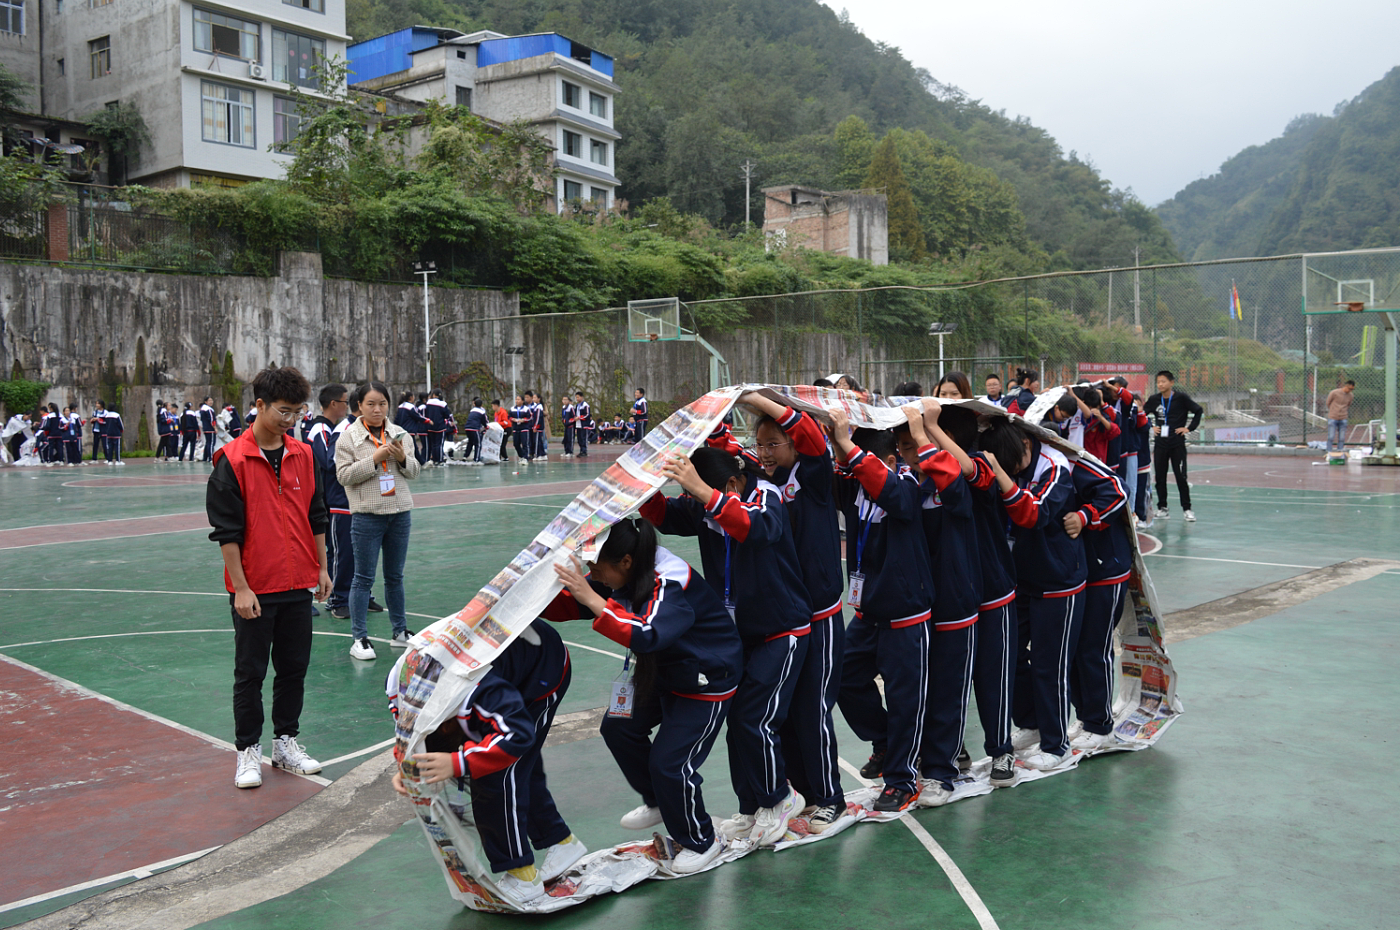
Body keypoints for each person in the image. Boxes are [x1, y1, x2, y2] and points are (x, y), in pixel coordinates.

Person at [549, 518, 743, 875]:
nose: (594, 575)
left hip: (706, 678)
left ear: (625, 561)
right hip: (666, 671)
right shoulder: (625, 569)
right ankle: (658, 800)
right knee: (618, 727)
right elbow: (573, 601)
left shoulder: (670, 582)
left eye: (597, 567)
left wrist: (590, 597)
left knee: (670, 764)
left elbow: (647, 633)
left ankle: (702, 840)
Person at [639, 447, 812, 847]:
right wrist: (644, 482)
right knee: (738, 724)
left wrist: (702, 492)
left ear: (732, 483)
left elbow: (758, 528)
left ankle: (780, 798)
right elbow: (664, 515)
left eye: (699, 492)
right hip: (740, 635)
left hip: (781, 630)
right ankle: (751, 808)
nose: (695, 501)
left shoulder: (765, 495)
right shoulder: (706, 505)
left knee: (755, 719)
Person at [711, 392, 846, 833]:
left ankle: (830, 798)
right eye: (760, 444)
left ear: (793, 445)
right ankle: (795, 794)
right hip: (785, 612)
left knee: (812, 710)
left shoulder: (813, 475)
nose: (765, 453)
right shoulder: (760, 482)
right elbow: (723, 455)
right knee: (779, 714)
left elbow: (812, 440)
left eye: (774, 444)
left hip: (819, 614)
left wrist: (757, 399)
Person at [389, 619, 584, 902]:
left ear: (449, 727)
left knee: (497, 776)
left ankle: (523, 876)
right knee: (515, 767)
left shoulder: (479, 692)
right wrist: (405, 765)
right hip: (500, 658)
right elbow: (407, 729)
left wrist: (458, 763)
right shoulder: (402, 686)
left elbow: (518, 734)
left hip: (543, 668)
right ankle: (561, 841)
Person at [206, 365, 329, 789]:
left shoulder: (303, 455)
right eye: (283, 411)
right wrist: (241, 588)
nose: (291, 419)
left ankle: (285, 744)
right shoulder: (231, 460)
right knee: (251, 673)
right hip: (255, 588)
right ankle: (247, 751)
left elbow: (316, 514)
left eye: (298, 411)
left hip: (298, 584)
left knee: (293, 669)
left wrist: (322, 567)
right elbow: (226, 532)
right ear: (259, 405)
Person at [830, 409, 933, 812]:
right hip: (868, 613)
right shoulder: (856, 486)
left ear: (889, 461)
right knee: (844, 675)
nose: (855, 469)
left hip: (906, 615)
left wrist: (849, 447)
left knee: (905, 698)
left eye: (862, 462)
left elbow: (896, 497)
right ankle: (886, 741)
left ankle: (902, 779)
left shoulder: (908, 484)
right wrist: (835, 439)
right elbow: (831, 473)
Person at [978, 418, 1083, 770]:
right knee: (1010, 658)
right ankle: (1032, 722)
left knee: (1049, 665)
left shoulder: (1054, 466)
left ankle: (1057, 745)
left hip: (1058, 582)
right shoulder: (1010, 458)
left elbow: (1033, 514)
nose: (1013, 472)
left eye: (1015, 465)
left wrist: (1000, 472)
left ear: (1026, 443)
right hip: (1020, 580)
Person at [896, 400, 980, 807]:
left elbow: (954, 477)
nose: (911, 454)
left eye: (916, 446)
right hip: (914, 603)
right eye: (904, 448)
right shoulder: (905, 485)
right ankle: (903, 754)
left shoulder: (951, 482)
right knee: (910, 689)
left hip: (954, 600)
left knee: (947, 688)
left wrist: (922, 429)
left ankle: (941, 773)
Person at [335, 381, 420, 661]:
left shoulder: (399, 434)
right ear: (359, 405)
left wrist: (403, 457)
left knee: (395, 576)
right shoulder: (348, 438)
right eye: (370, 404)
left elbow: (414, 472)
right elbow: (343, 476)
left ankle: (400, 631)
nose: (377, 409)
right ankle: (359, 637)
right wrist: (375, 458)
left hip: (399, 513)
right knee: (363, 578)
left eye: (382, 403)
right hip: (367, 516)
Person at [1063, 455, 1130, 754]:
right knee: (1076, 648)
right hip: (1079, 572)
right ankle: (1085, 717)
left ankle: (1100, 726)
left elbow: (1118, 489)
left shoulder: (1072, 463)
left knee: (1094, 648)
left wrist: (1084, 516)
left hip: (1106, 569)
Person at [308, 384, 356, 621]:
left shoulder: (332, 428)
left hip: (327, 498)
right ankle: (319, 596)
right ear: (334, 403)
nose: (347, 407)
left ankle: (341, 593)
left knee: (334, 548)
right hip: (321, 498)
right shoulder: (320, 429)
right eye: (345, 402)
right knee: (327, 549)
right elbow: (328, 462)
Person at [1143, 370, 1203, 523]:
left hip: (1177, 444)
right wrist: (1151, 426)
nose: (1160, 384)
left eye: (1163, 381)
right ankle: (1162, 508)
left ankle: (1187, 509)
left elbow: (1198, 410)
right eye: (1158, 382)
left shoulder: (1181, 398)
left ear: (1171, 382)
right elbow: (1142, 414)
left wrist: (1188, 428)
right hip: (1160, 444)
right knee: (1160, 477)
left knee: (1181, 477)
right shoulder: (1154, 399)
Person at [1326, 380, 1356, 455]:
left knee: (1342, 437)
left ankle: (1340, 450)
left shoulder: (1351, 395)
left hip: (1343, 417)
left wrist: (1344, 411)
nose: (1350, 391)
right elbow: (1328, 402)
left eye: (1352, 389)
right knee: (1331, 436)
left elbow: (1349, 404)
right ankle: (1329, 451)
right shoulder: (1334, 393)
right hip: (1333, 417)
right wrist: (1333, 410)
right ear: (1346, 386)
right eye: (1349, 388)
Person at [423, 390, 452, 466]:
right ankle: (440, 460)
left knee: (433, 444)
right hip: (440, 427)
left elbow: (426, 413)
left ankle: (434, 460)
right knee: (439, 444)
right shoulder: (443, 404)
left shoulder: (428, 403)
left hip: (430, 426)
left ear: (433, 395)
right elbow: (447, 415)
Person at [462, 397, 488, 464]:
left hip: (467, 428)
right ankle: (476, 459)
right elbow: (484, 421)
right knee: (478, 444)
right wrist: (486, 426)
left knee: (470, 442)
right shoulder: (482, 411)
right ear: (481, 405)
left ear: (474, 404)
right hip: (474, 429)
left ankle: (465, 456)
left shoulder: (472, 410)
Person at [492, 399, 512, 464]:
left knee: (502, 443)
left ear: (496, 406)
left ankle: (505, 457)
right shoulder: (496, 413)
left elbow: (505, 422)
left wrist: (497, 424)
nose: (492, 407)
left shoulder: (503, 412)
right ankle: (499, 456)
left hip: (506, 429)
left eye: (493, 406)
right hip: (500, 429)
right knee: (499, 443)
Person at [199, 396, 218, 462]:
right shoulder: (209, 409)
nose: (211, 402)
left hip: (205, 428)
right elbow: (212, 419)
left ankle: (205, 457)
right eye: (209, 400)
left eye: (211, 400)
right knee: (211, 443)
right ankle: (210, 457)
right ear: (205, 402)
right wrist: (215, 428)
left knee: (207, 443)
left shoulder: (202, 409)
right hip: (210, 428)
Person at [572, 392, 591, 456]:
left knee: (583, 438)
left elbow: (587, 414)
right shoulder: (577, 405)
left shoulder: (585, 405)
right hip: (578, 424)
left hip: (584, 424)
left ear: (582, 397)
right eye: (576, 397)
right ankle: (581, 450)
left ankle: (584, 451)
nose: (577, 398)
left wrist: (579, 417)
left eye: (578, 397)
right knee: (579, 439)